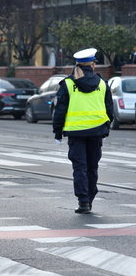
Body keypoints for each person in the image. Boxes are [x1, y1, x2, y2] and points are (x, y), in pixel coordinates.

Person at [53, 48, 114, 214]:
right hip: (96, 133)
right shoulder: (102, 84)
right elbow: (110, 110)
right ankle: (90, 199)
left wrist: (57, 133)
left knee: (80, 168)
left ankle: (84, 202)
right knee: (92, 168)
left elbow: (60, 111)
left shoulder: (67, 84)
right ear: (93, 64)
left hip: (76, 133)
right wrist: (105, 128)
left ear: (77, 65)